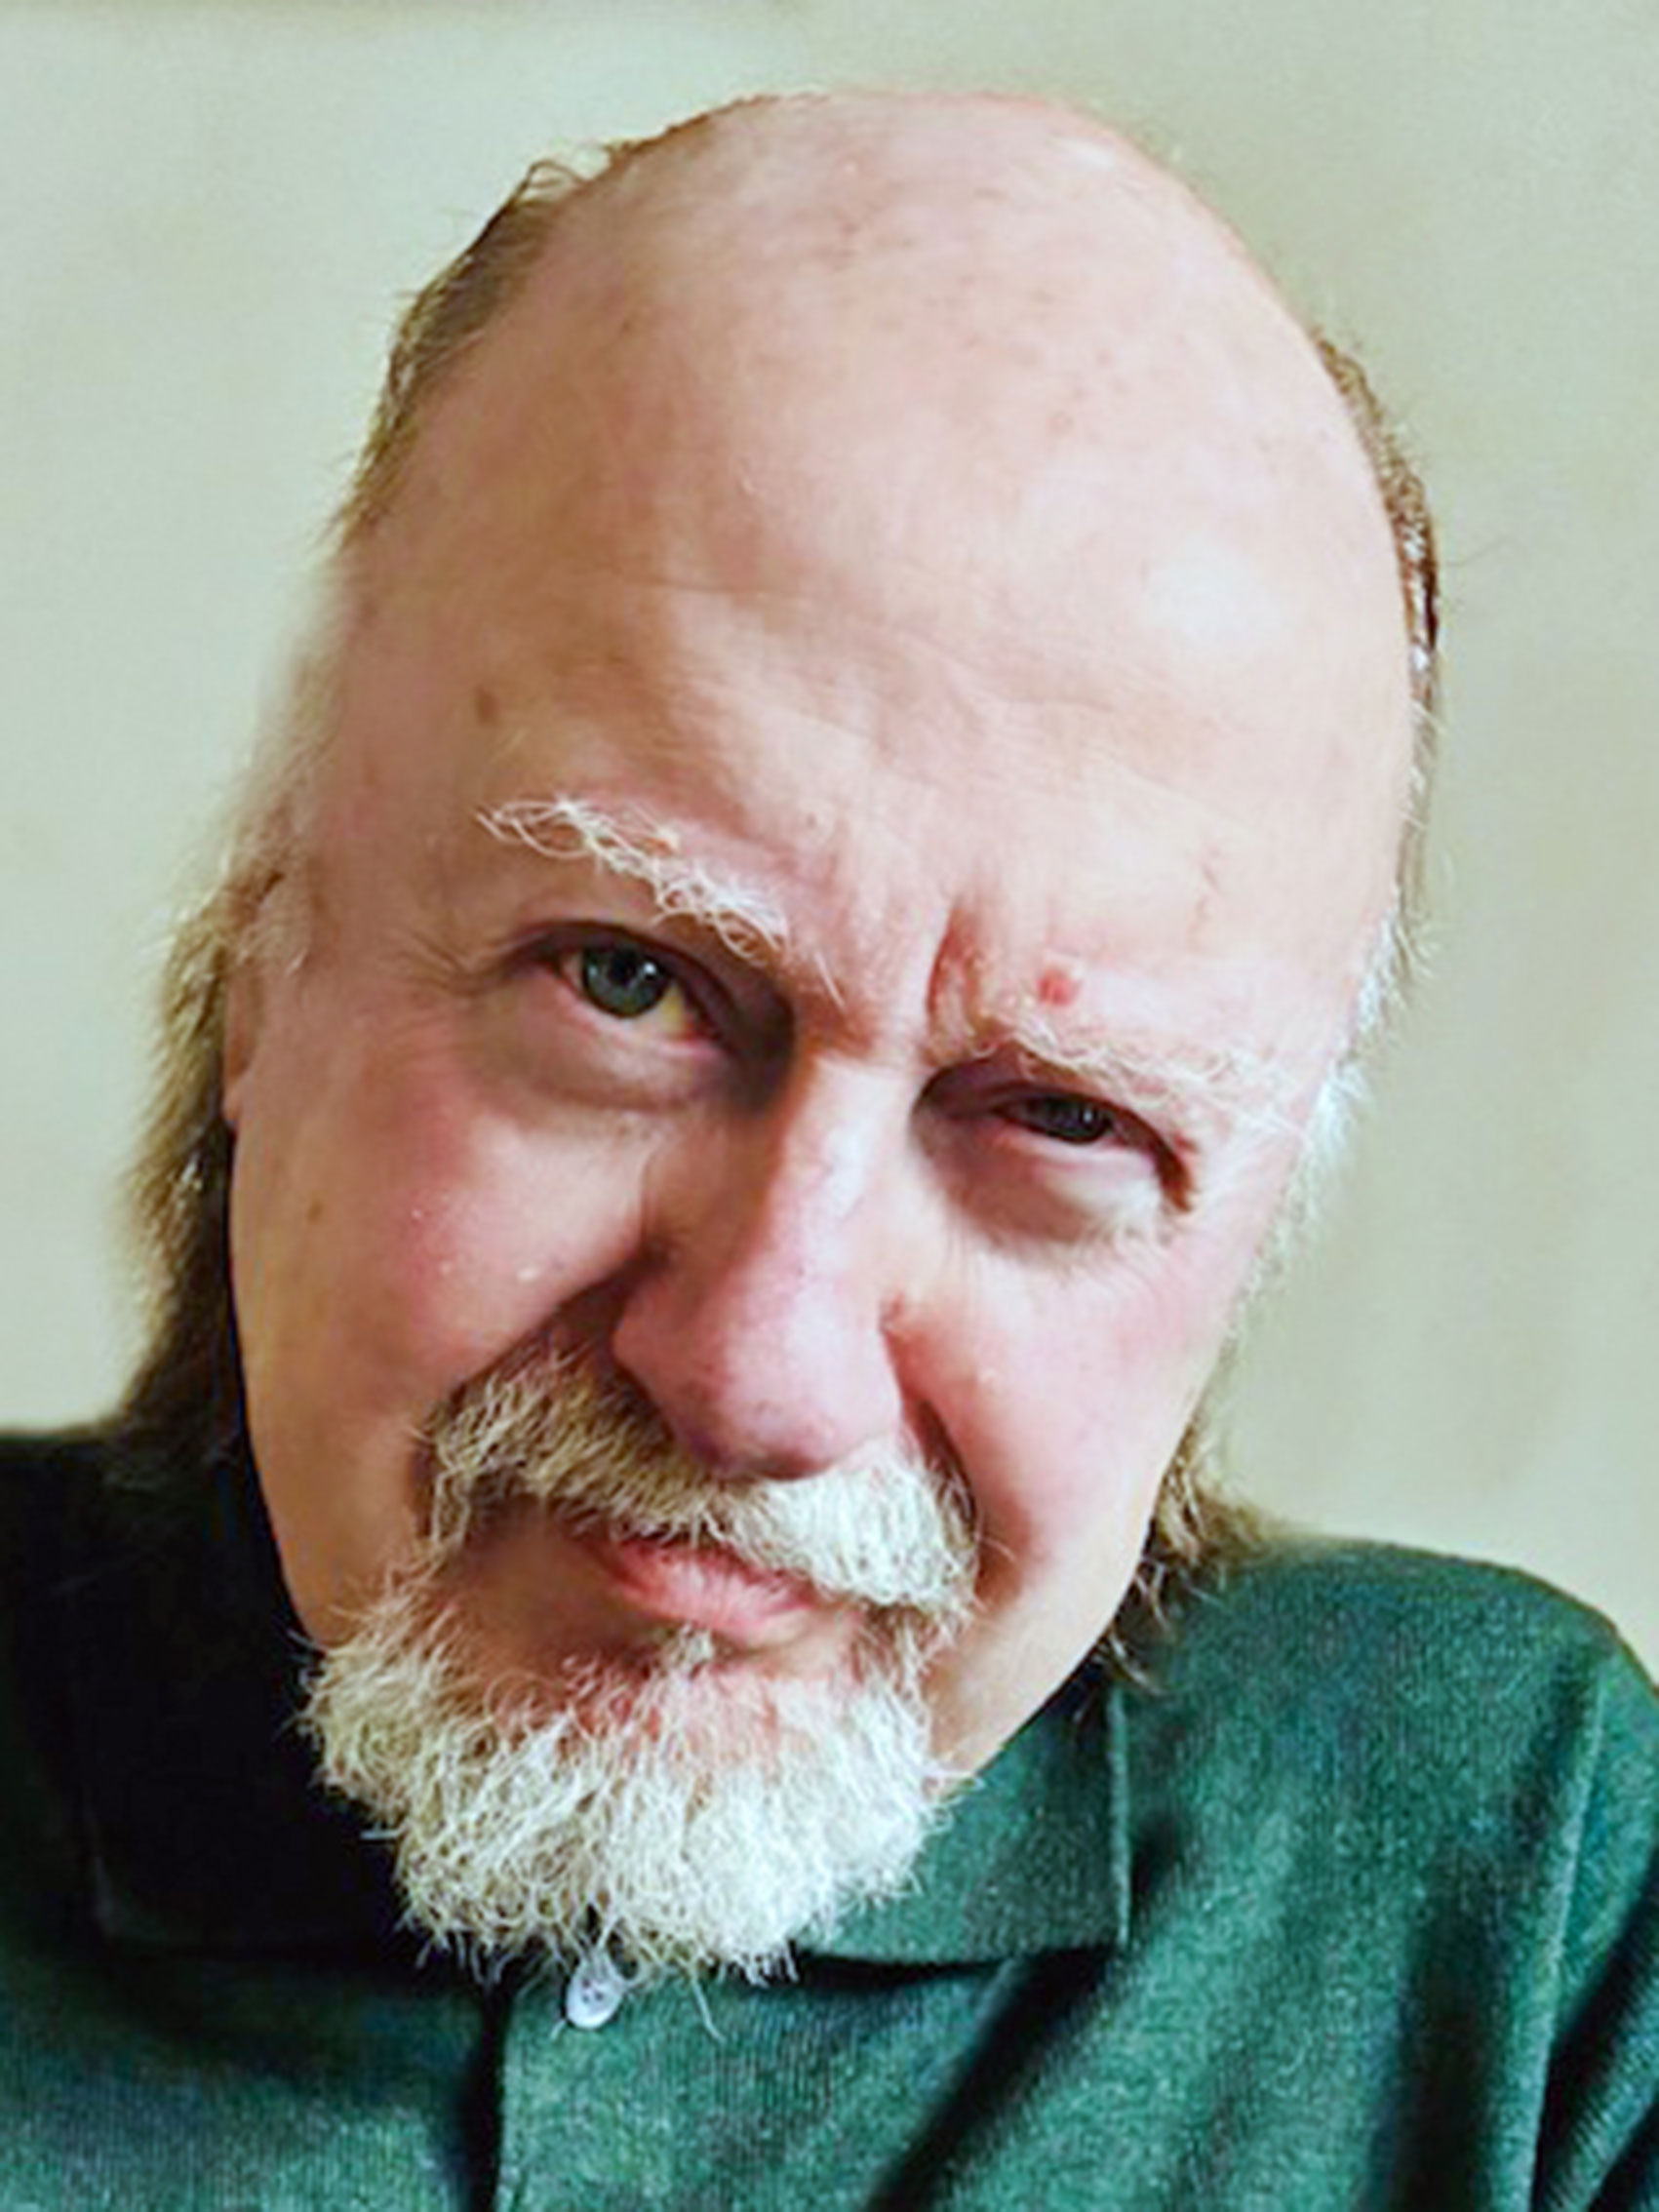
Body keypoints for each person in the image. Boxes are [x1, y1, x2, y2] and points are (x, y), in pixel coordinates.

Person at [2, 88, 1654, 2209]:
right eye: (627, 983)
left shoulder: (1520, 1898)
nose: (759, 1375)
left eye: (1060, 1116)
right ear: (267, 965)